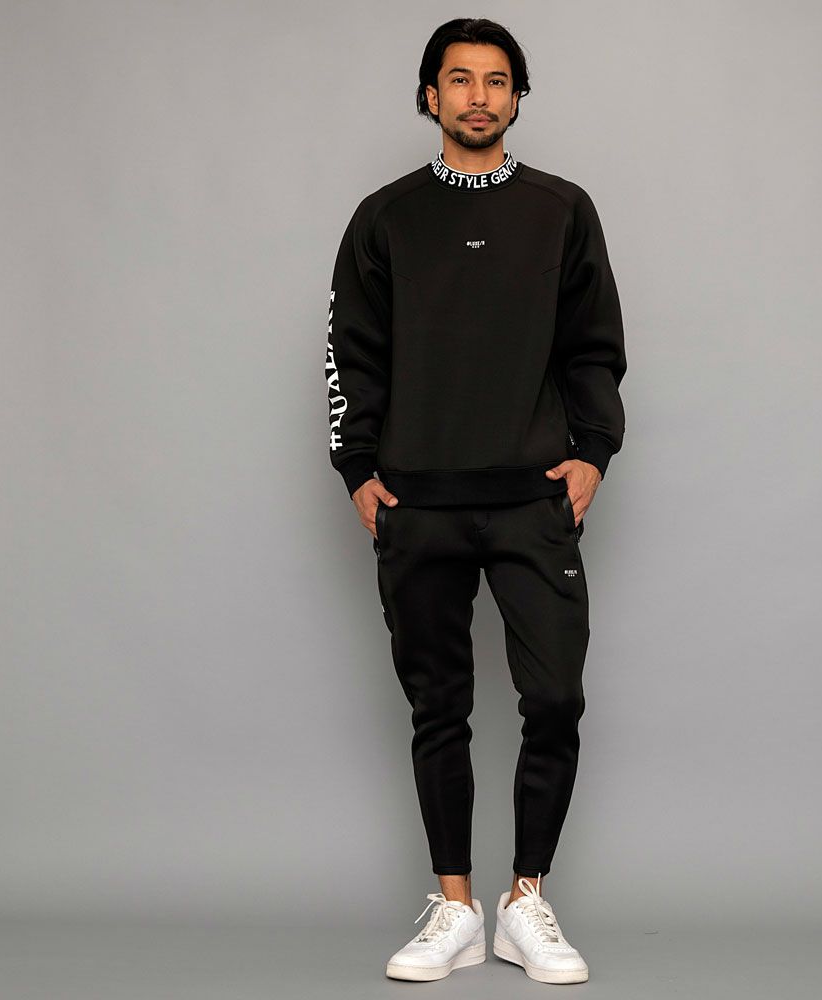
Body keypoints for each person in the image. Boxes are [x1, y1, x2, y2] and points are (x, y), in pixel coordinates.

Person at [326, 17, 626, 985]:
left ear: (517, 96)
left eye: (497, 80)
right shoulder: (385, 218)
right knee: (437, 706)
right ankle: (453, 906)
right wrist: (357, 468)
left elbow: (593, 345)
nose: (478, 96)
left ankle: (524, 900)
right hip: (418, 502)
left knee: (555, 697)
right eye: (459, 80)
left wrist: (592, 454)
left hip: (533, 500)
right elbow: (350, 353)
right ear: (431, 96)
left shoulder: (561, 210)